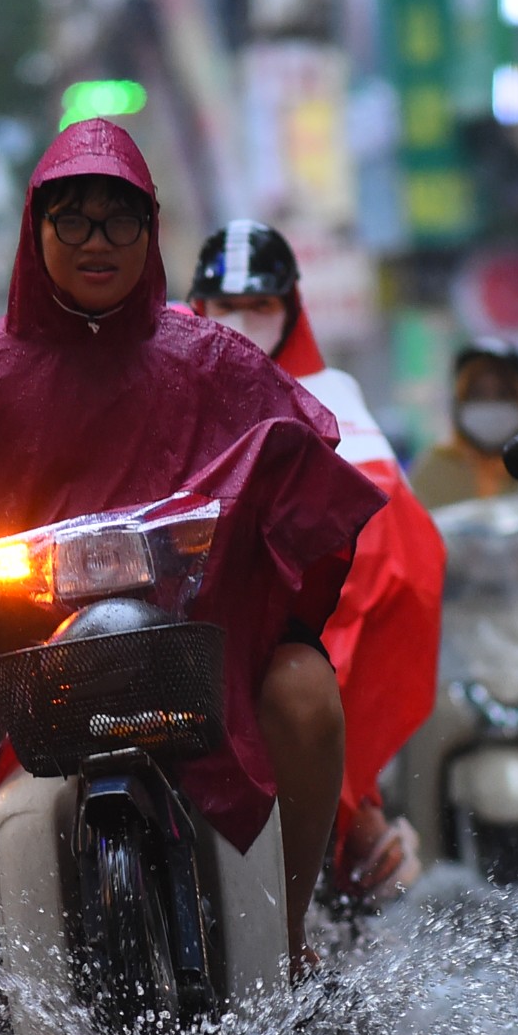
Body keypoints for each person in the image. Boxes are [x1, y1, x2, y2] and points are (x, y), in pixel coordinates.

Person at [0, 120, 382, 975]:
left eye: (120, 219)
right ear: (35, 231)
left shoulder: (216, 361)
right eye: (73, 218)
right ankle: (10, 992)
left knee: (304, 690)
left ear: (152, 231)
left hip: (204, 671)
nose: (96, 241)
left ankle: (286, 940)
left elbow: (305, 479)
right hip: (28, 691)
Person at [190, 219, 444, 905]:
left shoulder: (331, 394)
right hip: (183, 612)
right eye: (226, 305)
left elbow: (386, 521)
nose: (243, 320)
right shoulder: (164, 382)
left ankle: (345, 819)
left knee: (312, 686)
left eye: (261, 305)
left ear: (290, 308)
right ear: (197, 305)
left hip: (297, 613)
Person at [410, 340, 518, 509]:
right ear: (458, 401)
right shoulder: (432, 473)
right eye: (477, 394)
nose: (491, 404)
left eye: (503, 394)